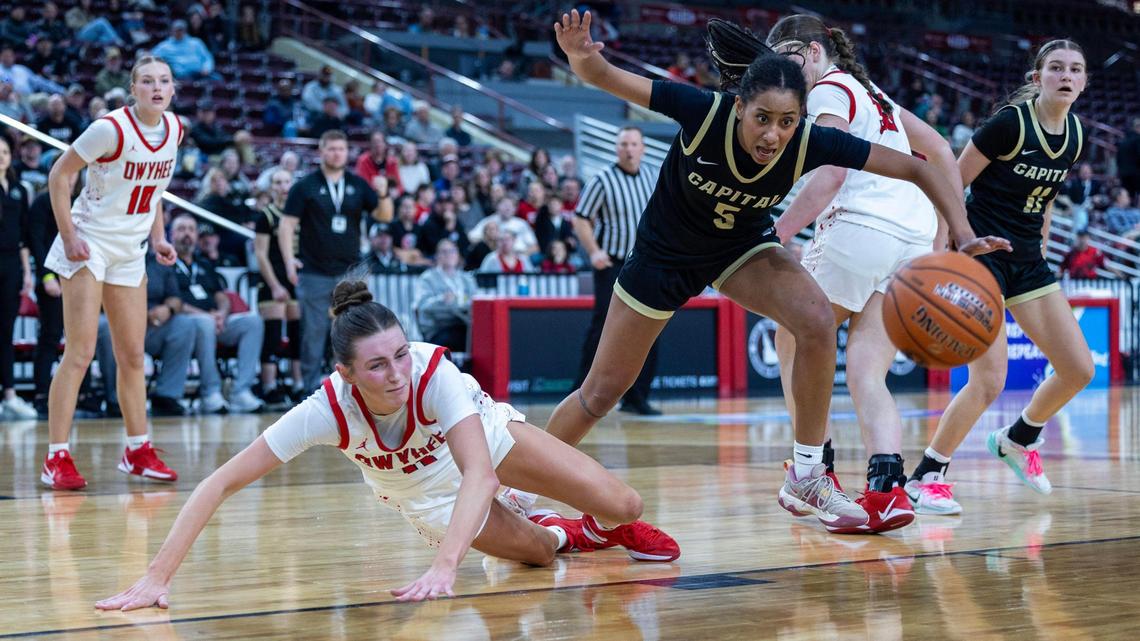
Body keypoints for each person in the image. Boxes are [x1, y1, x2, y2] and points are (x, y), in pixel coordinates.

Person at [542, 11, 1001, 530]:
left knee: (815, 320)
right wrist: (581, 54)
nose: (773, 134)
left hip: (740, 248)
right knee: (600, 394)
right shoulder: (703, 111)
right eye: (762, 118)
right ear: (740, 106)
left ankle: (808, 473)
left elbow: (920, 166)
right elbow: (605, 76)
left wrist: (962, 236)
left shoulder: (810, 140)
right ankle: (513, 483)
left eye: (787, 121)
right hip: (665, 256)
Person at [95, 279, 679, 611]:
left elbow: (480, 472)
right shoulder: (324, 410)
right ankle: (560, 529)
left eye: (401, 354)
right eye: (377, 365)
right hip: (423, 493)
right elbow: (220, 482)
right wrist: (156, 577)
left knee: (625, 504)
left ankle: (598, 527)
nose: (397, 372)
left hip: (481, 445)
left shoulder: (433, 373)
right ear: (347, 374)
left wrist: (445, 567)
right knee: (541, 557)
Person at [758, 15, 1010, 533]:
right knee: (866, 372)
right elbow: (939, 150)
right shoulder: (873, 94)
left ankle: (814, 471)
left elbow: (830, 175)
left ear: (808, 52)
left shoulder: (828, 90)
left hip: (859, 228)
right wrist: (940, 237)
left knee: (794, 337)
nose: (779, 71)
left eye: (783, 57)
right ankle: (888, 490)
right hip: (911, 236)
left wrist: (776, 232)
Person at [904, 40, 1094, 513]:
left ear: (1084, 81)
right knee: (989, 380)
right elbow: (951, 184)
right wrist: (939, 256)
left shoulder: (1074, 134)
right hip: (980, 256)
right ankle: (927, 474)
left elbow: (1045, 198)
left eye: (1075, 69)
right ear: (1038, 77)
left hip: (1028, 262)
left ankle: (1017, 439)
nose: (1065, 76)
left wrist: (1043, 252)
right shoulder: (1010, 124)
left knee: (1078, 369)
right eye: (1055, 68)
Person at [40, 55, 182, 490]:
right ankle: (56, 457)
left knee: (133, 355)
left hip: (130, 249)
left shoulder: (175, 129)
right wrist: (67, 237)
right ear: (132, 88)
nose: (156, 88)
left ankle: (137, 449)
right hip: (89, 242)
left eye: (163, 81)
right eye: (146, 81)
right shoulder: (110, 128)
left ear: (172, 89)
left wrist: (158, 237)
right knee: (80, 353)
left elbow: (154, 191)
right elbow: (58, 176)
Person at [279, 130, 387, 393]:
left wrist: (383, 194)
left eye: (341, 148)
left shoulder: (358, 184)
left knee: (354, 332)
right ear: (321, 151)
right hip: (314, 270)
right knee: (313, 332)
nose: (337, 153)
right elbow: (286, 225)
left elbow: (383, 216)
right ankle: (309, 391)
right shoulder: (304, 186)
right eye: (331, 148)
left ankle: (355, 391)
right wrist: (289, 261)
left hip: (351, 273)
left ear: (348, 151)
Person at [571, 126, 662, 416]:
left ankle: (637, 398)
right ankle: (581, 393)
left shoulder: (652, 176)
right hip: (612, 263)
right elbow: (581, 218)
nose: (629, 149)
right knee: (602, 328)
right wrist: (594, 251)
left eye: (634, 144)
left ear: (643, 148)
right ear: (616, 148)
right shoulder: (602, 180)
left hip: (646, 262)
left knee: (650, 328)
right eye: (624, 144)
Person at [169, 214, 265, 414]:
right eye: (181, 229)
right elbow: (172, 302)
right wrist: (208, 316)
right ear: (171, 234)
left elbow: (222, 295)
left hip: (215, 321)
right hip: (185, 325)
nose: (187, 234)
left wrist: (221, 313)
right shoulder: (165, 264)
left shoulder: (203, 263)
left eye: (191, 229)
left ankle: (241, 391)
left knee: (252, 321)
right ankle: (210, 392)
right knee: (204, 322)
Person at [95, 253, 196, 417]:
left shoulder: (158, 260)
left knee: (184, 324)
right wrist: (134, 312)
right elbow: (95, 297)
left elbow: (176, 298)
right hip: (117, 319)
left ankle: (167, 395)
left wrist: (167, 309)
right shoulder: (110, 254)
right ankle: (115, 399)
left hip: (153, 325)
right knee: (105, 326)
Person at [254, 169, 302, 407]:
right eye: (278, 182)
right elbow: (260, 255)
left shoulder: (298, 214)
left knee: (297, 334)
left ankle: (298, 384)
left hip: (295, 281)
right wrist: (274, 285)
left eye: (286, 181)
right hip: (273, 281)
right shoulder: (266, 216)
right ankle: (269, 386)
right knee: (273, 334)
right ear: (271, 187)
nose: (283, 186)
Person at [0, 134, 37, 420]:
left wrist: (27, 273)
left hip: (12, 266)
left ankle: (10, 395)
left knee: (6, 331)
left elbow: (25, 236)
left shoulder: (19, 189)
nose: (1, 156)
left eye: (4, 152)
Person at [413, 239, 477, 351]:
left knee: (480, 335)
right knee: (463, 338)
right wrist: (442, 300)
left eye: (452, 251)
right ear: (437, 256)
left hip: (463, 324)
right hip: (438, 328)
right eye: (444, 252)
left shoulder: (466, 279)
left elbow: (475, 301)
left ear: (458, 255)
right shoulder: (427, 278)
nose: (449, 255)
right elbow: (422, 305)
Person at [151, 20, 215, 80]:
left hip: (201, 74)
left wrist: (207, 68)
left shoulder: (196, 42)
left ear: (185, 31)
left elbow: (207, 57)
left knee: (218, 80)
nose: (179, 32)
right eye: (177, 30)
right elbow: (152, 56)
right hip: (181, 77)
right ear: (172, 31)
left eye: (181, 30)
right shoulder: (165, 46)